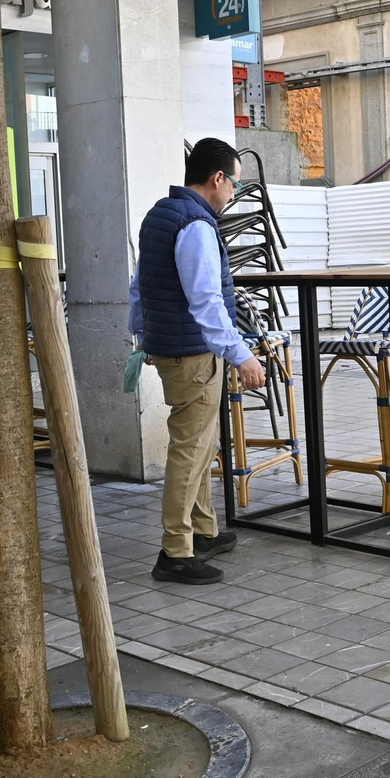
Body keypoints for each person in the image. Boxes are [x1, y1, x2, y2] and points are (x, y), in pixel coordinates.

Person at [128, 138, 266, 585]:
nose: (234, 195)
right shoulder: (197, 225)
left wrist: (144, 337)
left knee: (200, 444)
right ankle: (175, 551)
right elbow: (207, 301)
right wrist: (241, 355)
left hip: (173, 349)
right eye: (235, 185)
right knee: (189, 451)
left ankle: (202, 530)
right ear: (217, 178)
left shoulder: (160, 215)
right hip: (193, 355)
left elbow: (139, 287)